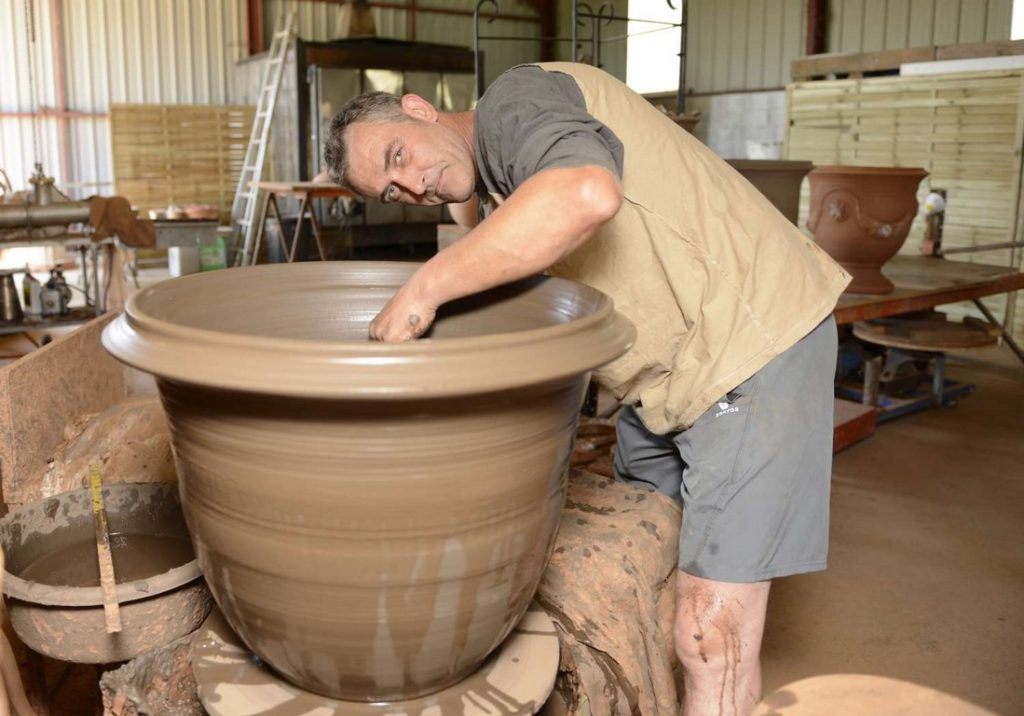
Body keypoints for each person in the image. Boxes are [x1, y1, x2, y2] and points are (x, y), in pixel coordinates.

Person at [323, 62, 851, 716]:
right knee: (635, 573)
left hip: (753, 344)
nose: (408, 182)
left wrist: (422, 288)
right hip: (666, 379)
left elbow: (584, 195)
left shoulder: (515, 101)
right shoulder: (492, 179)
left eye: (398, 154)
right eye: (393, 192)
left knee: (709, 633)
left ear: (420, 107)